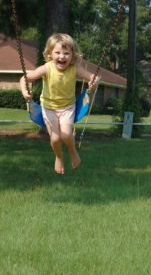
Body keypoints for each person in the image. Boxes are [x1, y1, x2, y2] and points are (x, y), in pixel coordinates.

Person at [20, 33, 100, 175]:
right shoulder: (47, 68)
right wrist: (25, 92)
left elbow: (94, 77)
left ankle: (72, 151)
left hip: (68, 107)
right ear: (50, 54)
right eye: (57, 52)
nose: (62, 56)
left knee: (66, 135)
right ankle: (59, 157)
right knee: (56, 138)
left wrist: (93, 84)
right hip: (48, 108)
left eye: (66, 53)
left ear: (72, 55)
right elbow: (25, 78)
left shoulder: (74, 69)